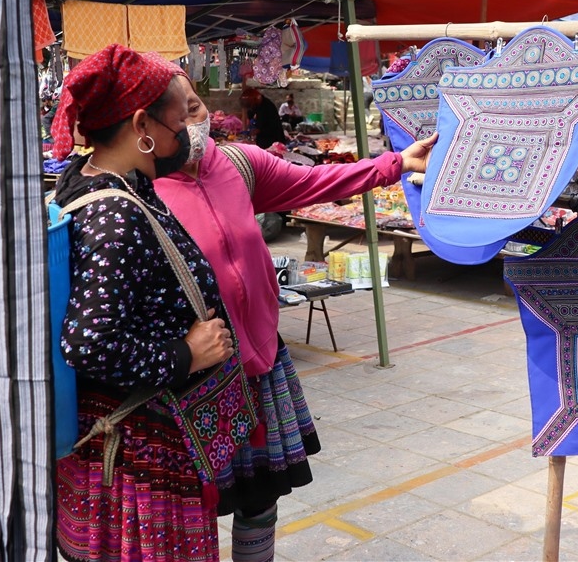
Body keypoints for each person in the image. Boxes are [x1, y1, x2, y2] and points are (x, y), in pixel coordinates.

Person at [153, 67, 436, 561]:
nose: (192, 123)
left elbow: (314, 181)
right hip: (190, 376)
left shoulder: (239, 163)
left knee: (260, 501)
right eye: (178, 116)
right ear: (148, 129)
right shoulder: (138, 191)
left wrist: (395, 164)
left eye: (195, 107)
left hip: (257, 364)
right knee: (187, 506)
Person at [50, 45, 238, 560]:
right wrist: (185, 354)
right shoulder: (115, 214)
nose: (187, 133)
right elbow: (88, 345)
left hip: (135, 440)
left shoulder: (100, 181)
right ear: (141, 124)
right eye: (180, 121)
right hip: (135, 451)